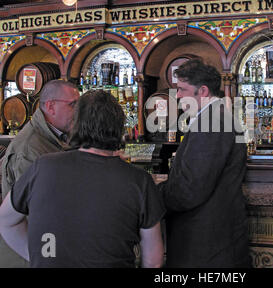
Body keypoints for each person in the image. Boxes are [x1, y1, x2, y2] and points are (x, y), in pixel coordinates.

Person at [0, 90, 165, 268]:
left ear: (77, 124)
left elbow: (6, 221)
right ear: (119, 127)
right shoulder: (139, 181)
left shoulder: (43, 167)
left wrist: (38, 256)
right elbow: (153, 261)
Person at [160, 59, 250, 268]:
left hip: (206, 243)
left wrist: (152, 196)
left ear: (202, 91)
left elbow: (190, 189)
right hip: (212, 238)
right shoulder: (214, 117)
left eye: (182, 89)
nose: (178, 95)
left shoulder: (211, 122)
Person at [0, 79, 80, 268]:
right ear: (51, 106)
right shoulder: (30, 149)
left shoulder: (53, 137)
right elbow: (36, 213)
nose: (78, 112)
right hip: (30, 254)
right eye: (73, 105)